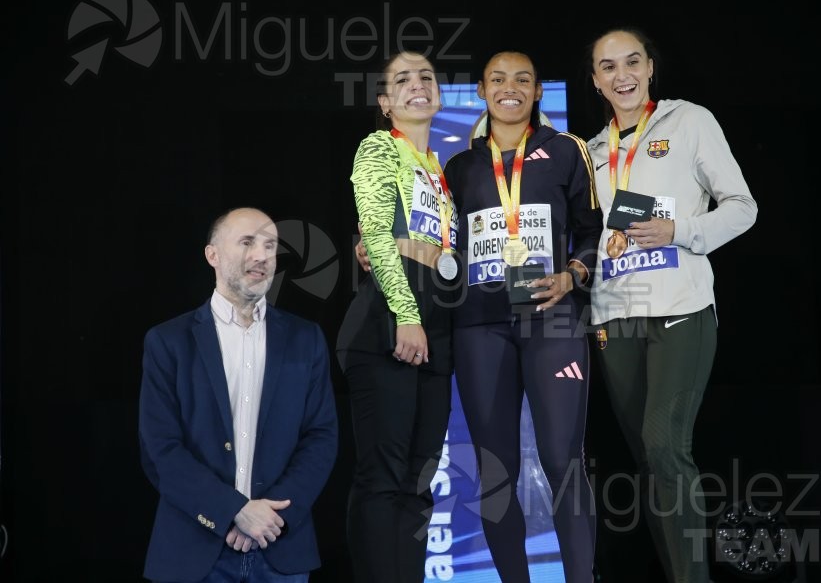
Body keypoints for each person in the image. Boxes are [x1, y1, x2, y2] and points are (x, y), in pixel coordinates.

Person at [353, 50, 604, 582]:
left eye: (523, 79)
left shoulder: (566, 151)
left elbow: (591, 231)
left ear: (538, 92)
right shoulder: (458, 167)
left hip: (551, 318)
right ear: (483, 92)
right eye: (497, 79)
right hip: (477, 325)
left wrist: (574, 274)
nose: (509, 87)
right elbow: (435, 239)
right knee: (496, 473)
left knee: (563, 463)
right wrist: (375, 244)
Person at [584, 27, 758, 583]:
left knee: (665, 446)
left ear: (650, 67)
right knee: (648, 462)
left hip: (680, 310)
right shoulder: (589, 153)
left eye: (632, 62)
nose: (622, 75)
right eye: (608, 67)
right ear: (595, 81)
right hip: (615, 318)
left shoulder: (689, 122)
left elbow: (742, 206)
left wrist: (679, 230)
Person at [139, 207, 338, 583]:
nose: (261, 255)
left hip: (281, 549)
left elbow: (321, 437)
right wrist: (233, 511)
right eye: (247, 242)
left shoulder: (306, 339)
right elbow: (160, 448)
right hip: (194, 553)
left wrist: (268, 519)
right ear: (212, 255)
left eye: (270, 245)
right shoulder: (168, 342)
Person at [335, 51, 459, 583]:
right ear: (386, 102)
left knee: (419, 482)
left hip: (437, 332)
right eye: (402, 80)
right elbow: (378, 237)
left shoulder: (439, 169)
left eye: (427, 77)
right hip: (387, 326)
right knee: (383, 479)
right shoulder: (380, 147)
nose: (418, 85)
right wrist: (406, 316)